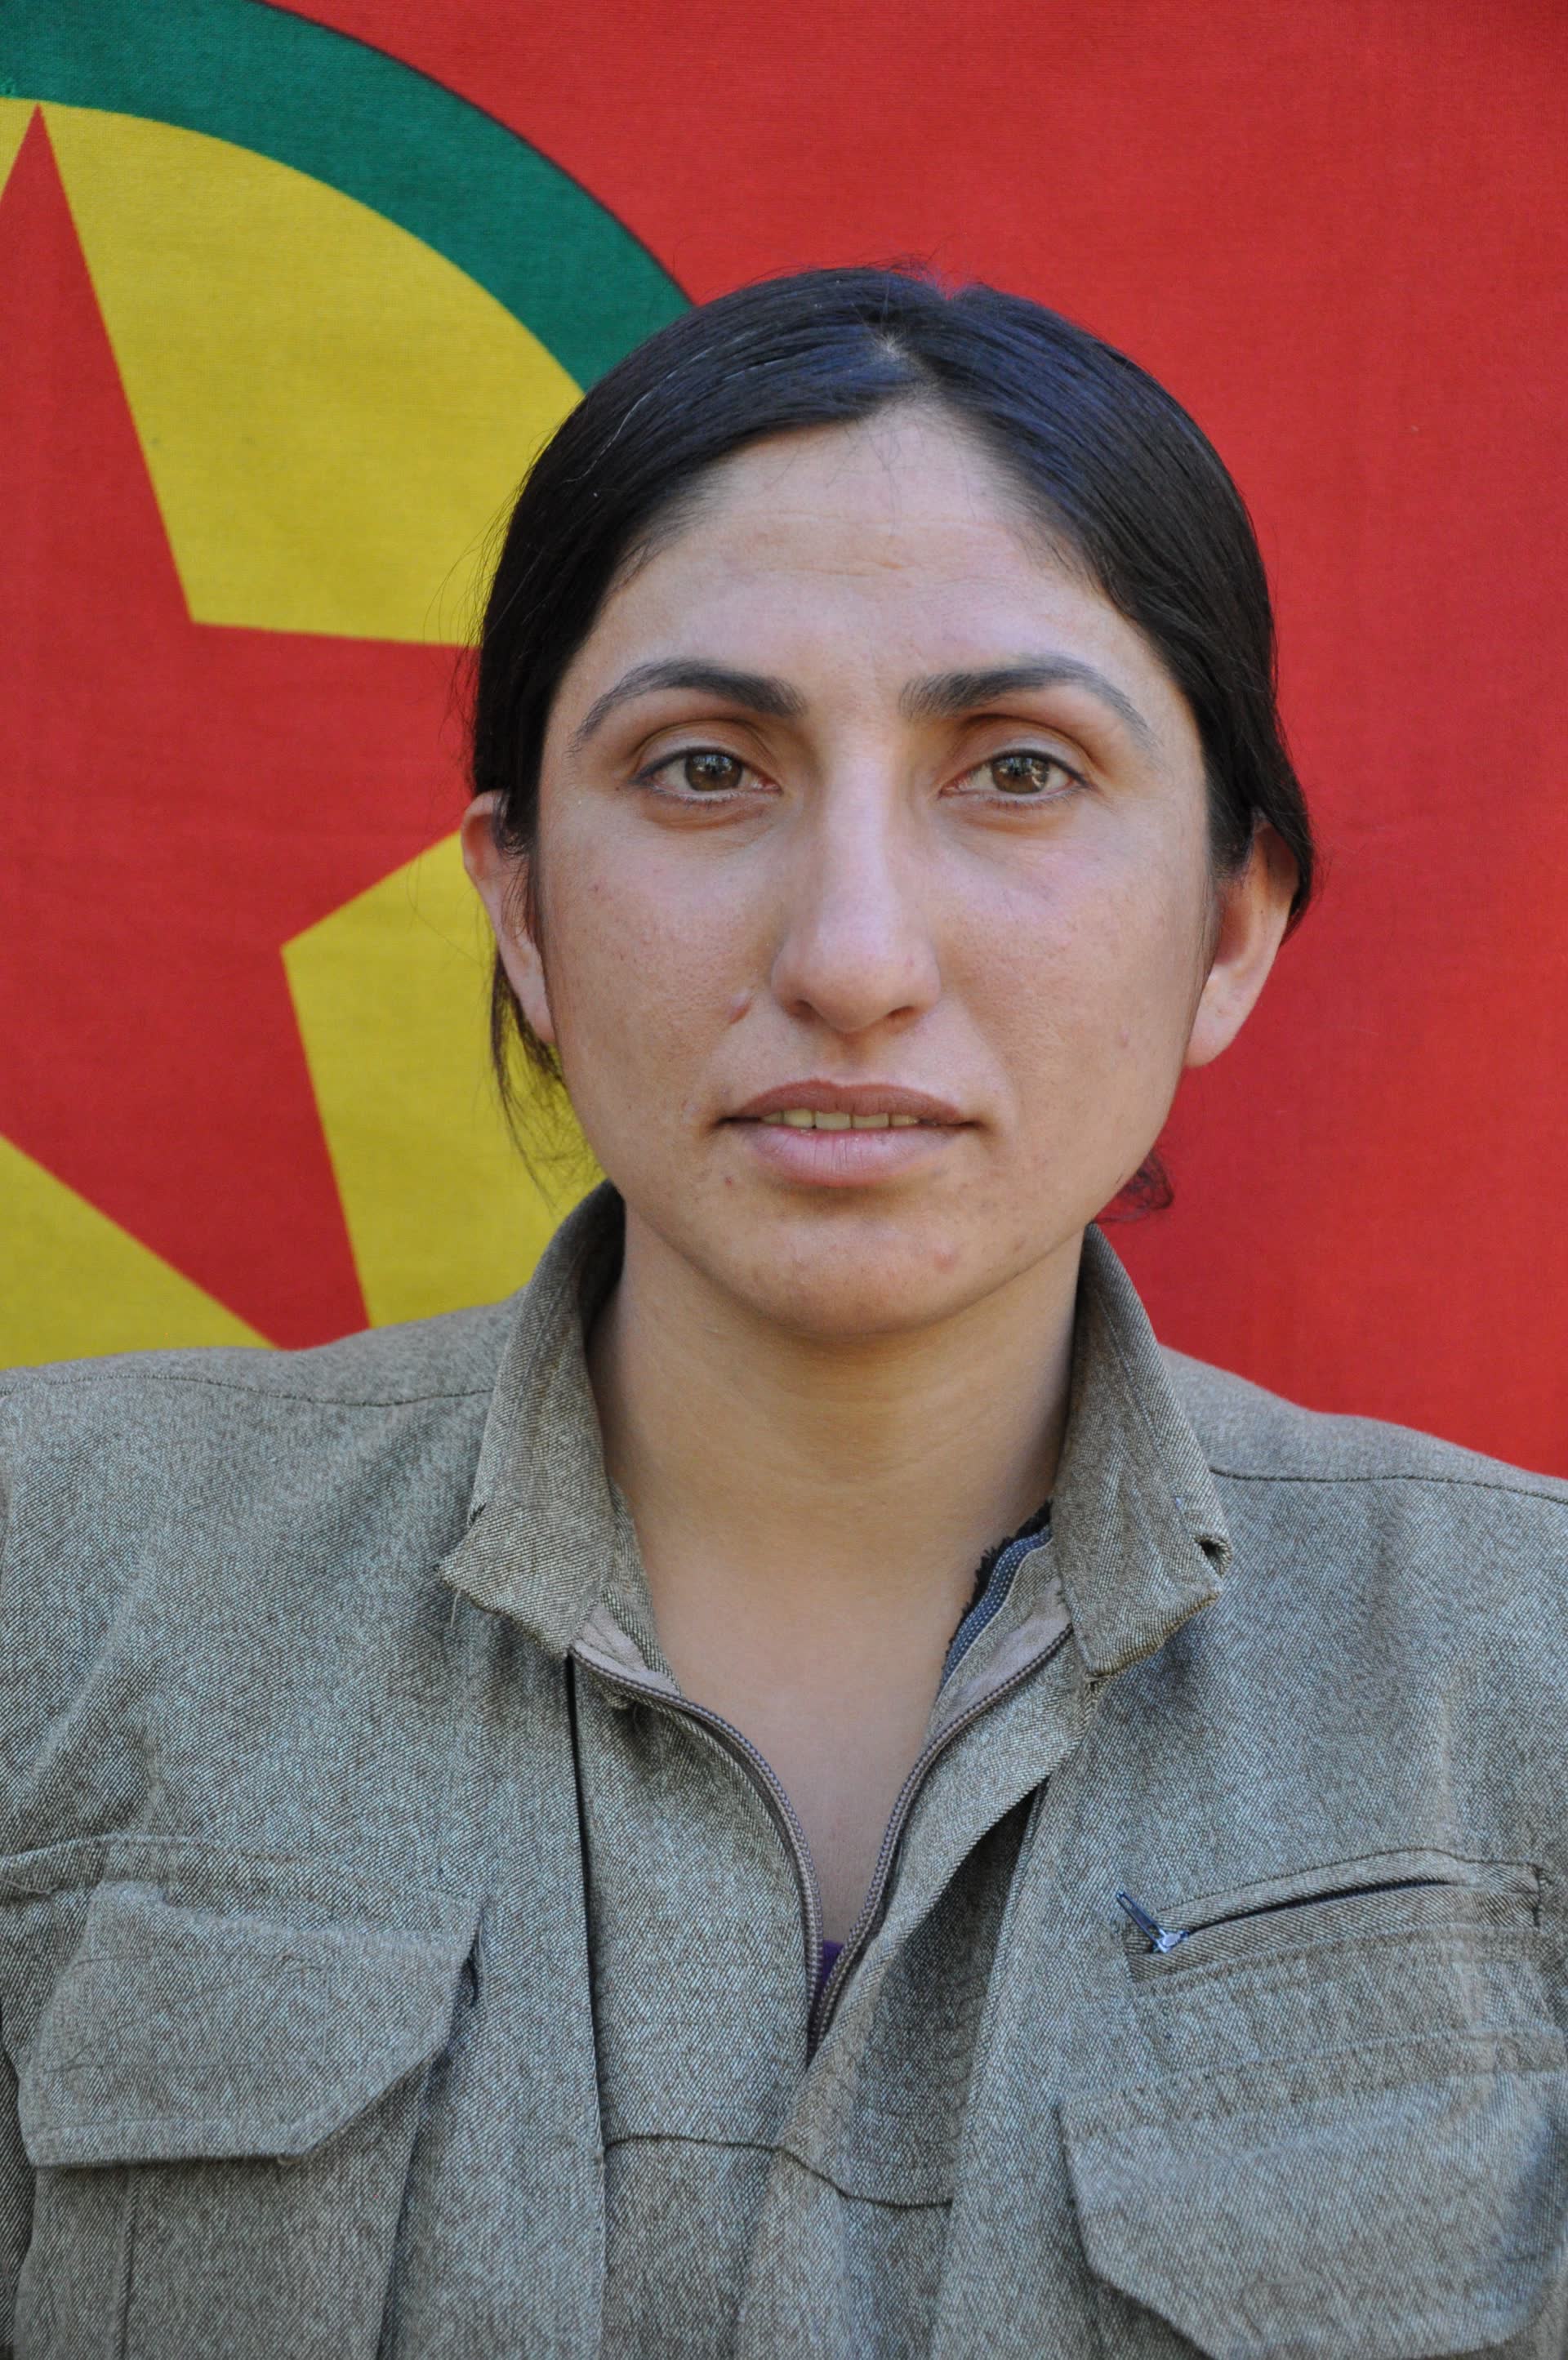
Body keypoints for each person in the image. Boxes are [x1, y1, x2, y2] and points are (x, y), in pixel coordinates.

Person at [2, 266, 1565, 2360]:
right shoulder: (54, 1574)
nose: (851, 955)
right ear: (520, 904)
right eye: (704, 768)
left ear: (1231, 925)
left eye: (1019, 769)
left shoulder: (1522, 1674)